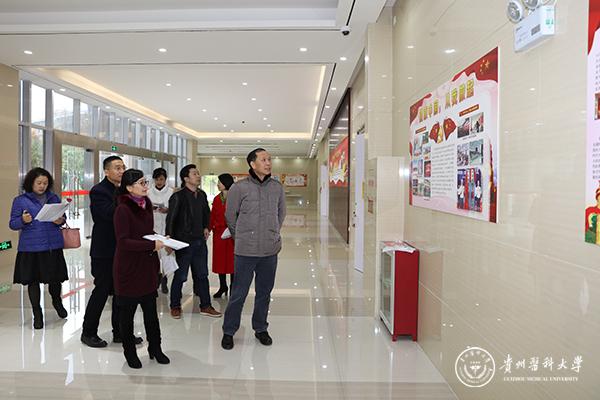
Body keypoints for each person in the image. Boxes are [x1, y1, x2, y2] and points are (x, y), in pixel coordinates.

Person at [221, 148, 286, 350]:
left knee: (264, 293)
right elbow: (230, 216)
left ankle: (260, 328)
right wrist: (241, 236)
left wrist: (272, 233)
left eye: (269, 159)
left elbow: (281, 213)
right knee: (238, 293)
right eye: (264, 159)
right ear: (252, 164)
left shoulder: (276, 187)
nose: (268, 163)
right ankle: (229, 331)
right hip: (245, 252)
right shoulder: (239, 188)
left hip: (269, 251)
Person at [81, 156, 142, 348]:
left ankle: (120, 332)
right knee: (101, 292)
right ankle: (88, 332)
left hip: (123, 250)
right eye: (117, 168)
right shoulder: (99, 191)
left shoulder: (123, 191)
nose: (122, 171)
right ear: (106, 171)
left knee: (121, 293)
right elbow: (108, 214)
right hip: (104, 251)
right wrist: (126, 195)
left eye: (123, 167)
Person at [113, 169, 170, 369]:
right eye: (142, 183)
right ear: (129, 188)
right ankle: (130, 353)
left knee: (151, 314)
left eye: (146, 182)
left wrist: (160, 238)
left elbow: (146, 232)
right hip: (129, 269)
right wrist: (151, 245)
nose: (146, 186)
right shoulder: (122, 209)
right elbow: (123, 241)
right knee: (127, 317)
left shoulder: (146, 204)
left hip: (147, 267)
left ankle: (156, 348)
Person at [9, 168, 68, 329]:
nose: (42, 186)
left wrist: (60, 220)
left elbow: (63, 218)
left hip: (52, 245)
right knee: (33, 281)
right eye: (39, 183)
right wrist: (23, 220)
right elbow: (13, 224)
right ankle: (37, 313)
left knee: (55, 279)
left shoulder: (53, 198)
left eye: (45, 183)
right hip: (31, 247)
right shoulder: (20, 200)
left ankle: (57, 302)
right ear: (31, 183)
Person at [165, 164, 221, 319]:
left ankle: (206, 306)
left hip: (199, 242)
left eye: (198, 173)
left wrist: (206, 226)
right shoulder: (178, 196)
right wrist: (169, 240)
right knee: (181, 276)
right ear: (186, 178)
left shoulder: (201, 195)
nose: (198, 176)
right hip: (183, 242)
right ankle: (175, 306)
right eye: (195, 174)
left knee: (202, 275)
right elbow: (171, 219)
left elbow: (206, 213)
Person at [147, 167, 174, 294]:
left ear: (165, 179)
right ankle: (156, 279)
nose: (159, 182)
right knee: (154, 256)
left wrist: (168, 210)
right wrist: (150, 208)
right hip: (153, 228)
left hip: (166, 228)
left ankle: (164, 280)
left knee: (166, 256)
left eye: (161, 179)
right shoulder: (148, 192)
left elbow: (175, 209)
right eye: (157, 179)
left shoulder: (171, 192)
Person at [209, 173, 235, 298]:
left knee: (232, 261)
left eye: (219, 182)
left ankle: (233, 287)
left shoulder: (236, 198)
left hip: (232, 235)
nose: (218, 184)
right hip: (219, 235)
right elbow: (212, 215)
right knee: (220, 261)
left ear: (226, 183)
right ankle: (223, 286)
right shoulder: (216, 199)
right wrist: (209, 228)